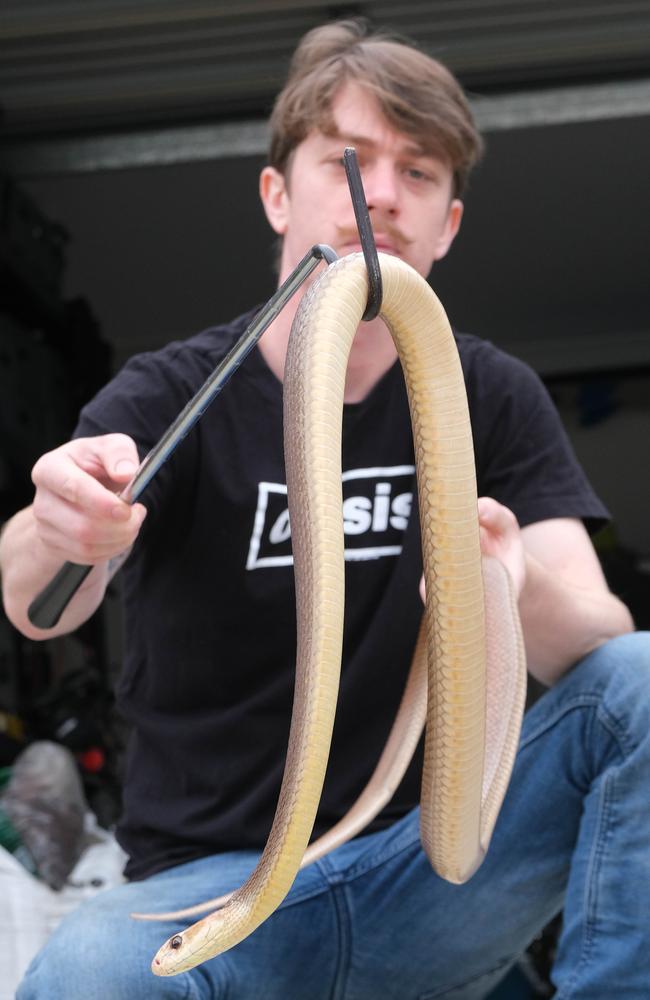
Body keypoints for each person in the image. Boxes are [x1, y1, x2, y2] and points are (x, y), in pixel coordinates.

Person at [1, 18, 648, 1000]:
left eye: (419, 173)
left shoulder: (490, 392)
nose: (380, 195)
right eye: (348, 161)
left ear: (447, 224)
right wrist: (60, 526)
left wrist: (504, 588)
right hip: (215, 894)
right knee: (85, 976)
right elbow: (34, 595)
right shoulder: (177, 388)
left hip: (427, 872)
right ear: (277, 193)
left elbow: (601, 644)